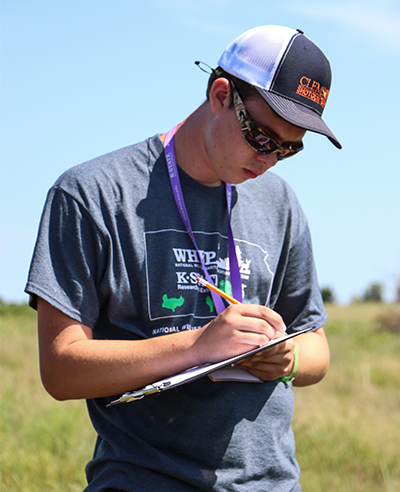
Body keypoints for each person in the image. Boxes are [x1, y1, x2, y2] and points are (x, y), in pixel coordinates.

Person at [25, 25, 341, 491]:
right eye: (262, 137)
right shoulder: (92, 194)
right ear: (220, 94)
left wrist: (286, 356)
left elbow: (316, 345)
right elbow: (60, 368)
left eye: (290, 148)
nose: (270, 159)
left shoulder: (279, 203)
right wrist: (199, 347)